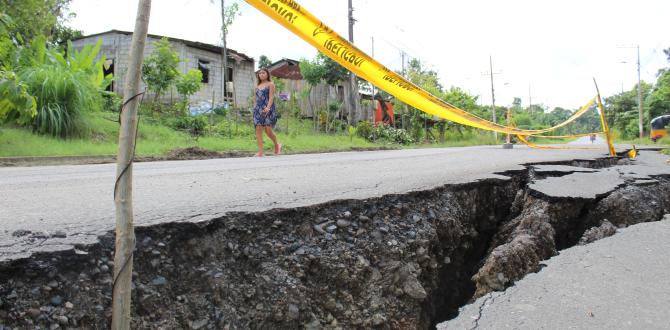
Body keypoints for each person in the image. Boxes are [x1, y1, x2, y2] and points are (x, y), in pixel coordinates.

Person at [252, 69, 281, 156]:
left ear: (267, 74)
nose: (261, 74)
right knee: (258, 129)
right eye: (259, 73)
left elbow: (271, 97)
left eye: (263, 73)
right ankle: (260, 152)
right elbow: (255, 98)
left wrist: (268, 108)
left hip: (267, 108)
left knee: (268, 130)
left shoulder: (270, 84)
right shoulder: (257, 86)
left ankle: (277, 145)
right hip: (258, 109)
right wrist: (254, 107)